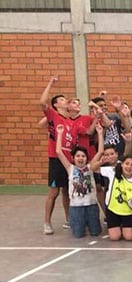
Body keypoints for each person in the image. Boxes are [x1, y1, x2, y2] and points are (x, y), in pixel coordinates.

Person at [40, 76, 92, 235]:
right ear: (56, 104)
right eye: (62, 99)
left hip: (69, 160)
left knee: (67, 191)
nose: (65, 101)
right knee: (54, 192)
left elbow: (88, 132)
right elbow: (42, 102)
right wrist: (50, 83)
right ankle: (47, 222)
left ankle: (70, 219)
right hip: (56, 158)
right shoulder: (53, 115)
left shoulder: (71, 122)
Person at [54, 123, 104, 238]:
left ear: (87, 158)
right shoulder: (70, 168)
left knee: (95, 232)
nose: (80, 158)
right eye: (78, 156)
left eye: (83, 156)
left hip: (91, 205)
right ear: (73, 158)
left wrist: (100, 133)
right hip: (76, 207)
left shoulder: (90, 167)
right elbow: (58, 152)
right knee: (78, 234)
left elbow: (100, 152)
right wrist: (60, 134)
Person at [100, 155, 132, 241]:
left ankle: (125, 227)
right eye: (127, 163)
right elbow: (93, 168)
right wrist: (100, 162)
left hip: (128, 212)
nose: (129, 167)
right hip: (112, 209)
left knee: (129, 237)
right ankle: (118, 227)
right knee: (114, 237)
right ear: (122, 164)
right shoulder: (113, 172)